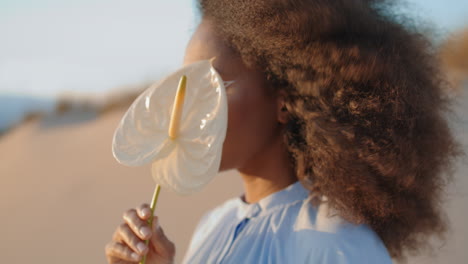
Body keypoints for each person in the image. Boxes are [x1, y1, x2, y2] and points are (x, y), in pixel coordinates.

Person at [105, 0, 462, 263]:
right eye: (187, 85)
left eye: (213, 85)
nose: (188, 109)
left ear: (284, 102)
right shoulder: (212, 225)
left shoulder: (335, 244)